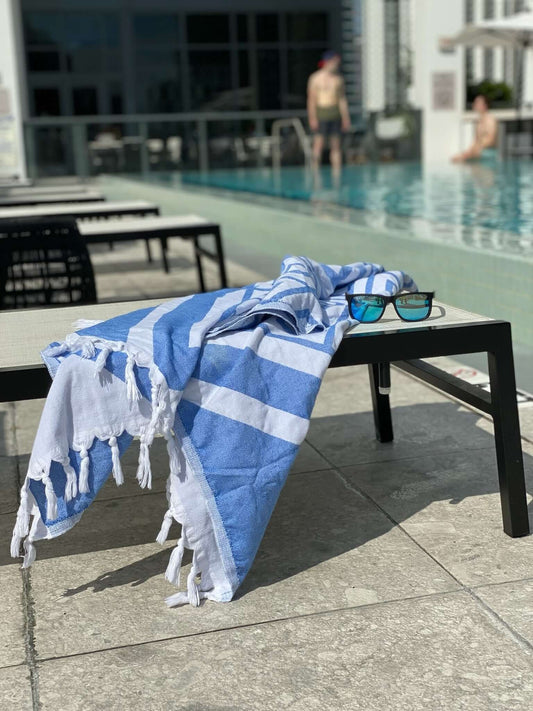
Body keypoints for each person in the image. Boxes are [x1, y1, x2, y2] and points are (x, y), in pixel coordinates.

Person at [307, 50, 351, 179]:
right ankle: (315, 172)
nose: (336, 65)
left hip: (335, 112)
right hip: (322, 111)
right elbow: (311, 100)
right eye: (334, 62)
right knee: (318, 144)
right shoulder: (315, 78)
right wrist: (312, 118)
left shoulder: (338, 80)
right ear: (327, 62)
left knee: (336, 145)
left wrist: (345, 118)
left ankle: (337, 174)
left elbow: (342, 99)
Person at [452, 94, 498, 162]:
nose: (474, 104)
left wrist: (474, 150)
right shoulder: (479, 121)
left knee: (461, 160)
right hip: (479, 151)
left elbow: (491, 140)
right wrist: (466, 152)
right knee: (456, 159)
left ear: (485, 105)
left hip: (488, 152)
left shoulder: (490, 120)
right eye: (475, 102)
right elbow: (475, 141)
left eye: (477, 102)